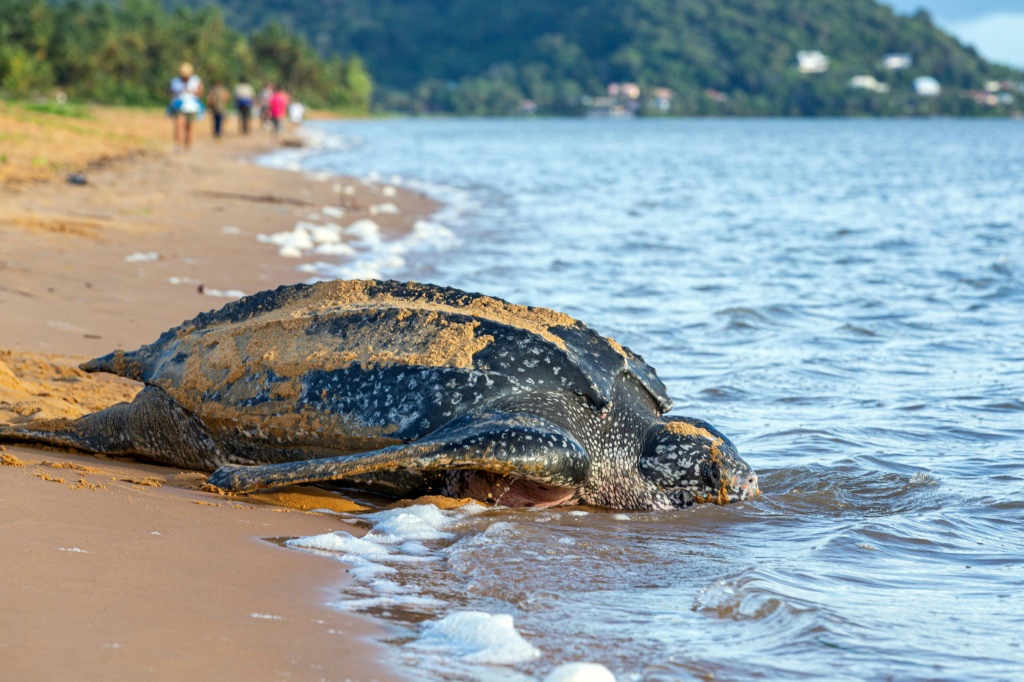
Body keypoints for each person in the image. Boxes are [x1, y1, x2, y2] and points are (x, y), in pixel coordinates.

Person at [169, 62, 204, 152]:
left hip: (192, 107)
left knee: (190, 127)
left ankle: (188, 146)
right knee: (178, 125)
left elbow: (200, 92)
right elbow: (171, 92)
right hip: (179, 106)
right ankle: (178, 145)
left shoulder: (196, 80)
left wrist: (191, 92)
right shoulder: (175, 81)